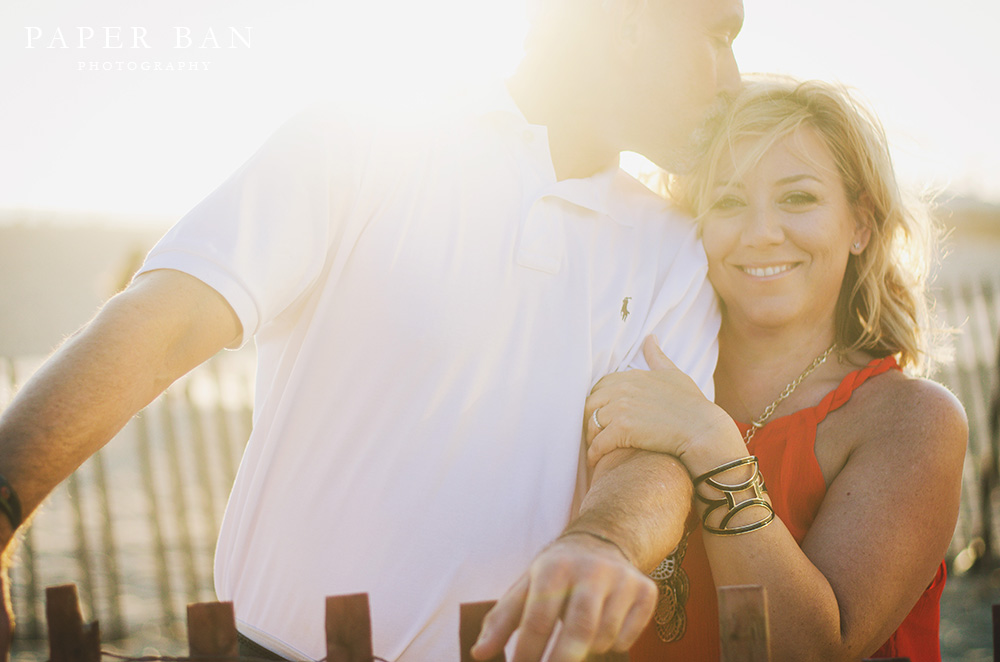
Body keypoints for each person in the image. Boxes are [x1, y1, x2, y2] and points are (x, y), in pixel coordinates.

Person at [0, 1, 745, 660]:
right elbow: (168, 325)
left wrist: (604, 540)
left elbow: (651, 453)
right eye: (720, 34)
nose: (733, 79)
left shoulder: (674, 248)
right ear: (631, 21)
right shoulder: (363, 138)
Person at [584, 76, 967, 661]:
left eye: (798, 198)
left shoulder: (913, 419)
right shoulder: (637, 370)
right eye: (730, 202)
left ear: (860, 225)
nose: (761, 234)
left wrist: (712, 444)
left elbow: (813, 649)